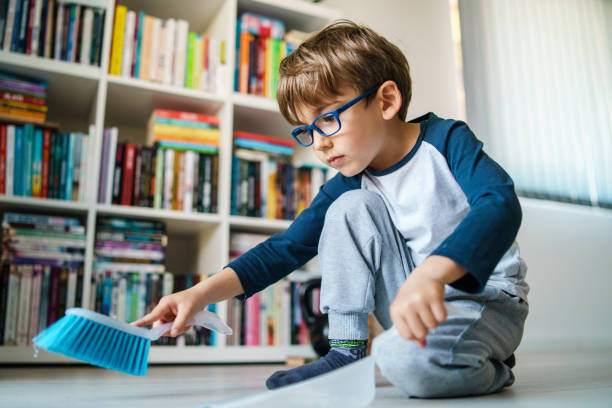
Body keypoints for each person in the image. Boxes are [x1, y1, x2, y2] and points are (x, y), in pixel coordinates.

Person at [132, 20, 529, 398]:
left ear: (387, 100)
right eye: (307, 130)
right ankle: (346, 352)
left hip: (486, 300)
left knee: (399, 361)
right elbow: (285, 248)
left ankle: (492, 365)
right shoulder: (352, 181)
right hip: (415, 308)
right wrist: (198, 295)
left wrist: (433, 272)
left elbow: (500, 205)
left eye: (327, 119)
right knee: (348, 207)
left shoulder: (447, 141)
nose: (318, 143)